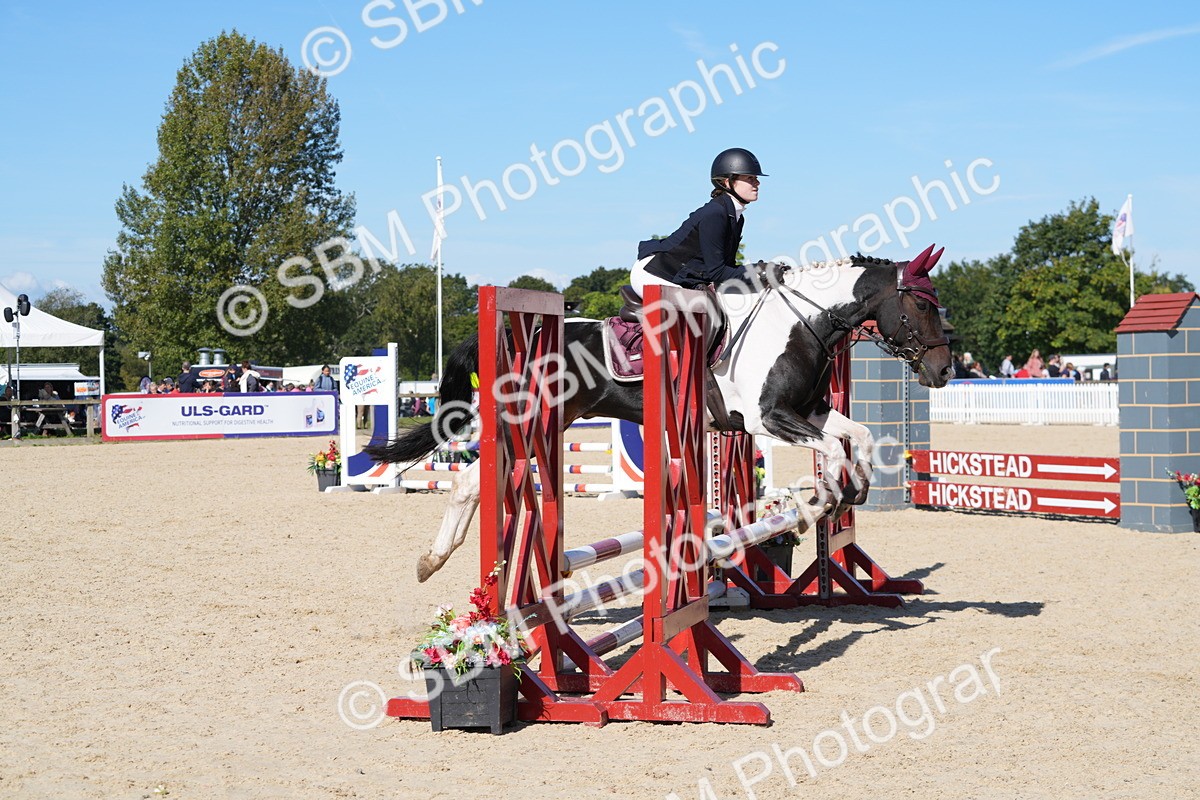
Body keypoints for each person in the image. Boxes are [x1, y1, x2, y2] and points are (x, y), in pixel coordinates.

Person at [630, 147, 771, 293]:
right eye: (750, 178)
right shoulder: (715, 213)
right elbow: (717, 273)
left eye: (756, 178)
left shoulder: (736, 217)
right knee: (702, 306)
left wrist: (763, 269)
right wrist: (757, 271)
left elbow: (726, 268)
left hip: (682, 276)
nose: (757, 183)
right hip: (655, 274)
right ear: (727, 182)